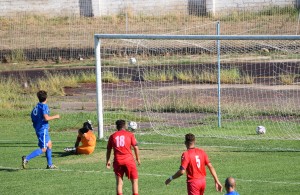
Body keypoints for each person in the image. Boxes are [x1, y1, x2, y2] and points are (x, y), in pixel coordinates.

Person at [22, 90, 60, 169]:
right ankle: (26, 158)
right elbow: (46, 118)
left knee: (49, 144)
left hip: (40, 128)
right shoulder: (44, 106)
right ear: (46, 98)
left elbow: (32, 116)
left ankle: (50, 165)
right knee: (43, 148)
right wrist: (56, 116)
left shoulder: (37, 106)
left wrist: (38, 125)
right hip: (42, 130)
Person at [106, 119, 141, 195]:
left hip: (118, 161)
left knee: (119, 182)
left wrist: (108, 160)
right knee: (134, 181)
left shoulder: (112, 136)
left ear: (117, 127)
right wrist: (138, 158)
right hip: (129, 160)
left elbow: (108, 149)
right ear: (124, 126)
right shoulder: (130, 134)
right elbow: (135, 147)